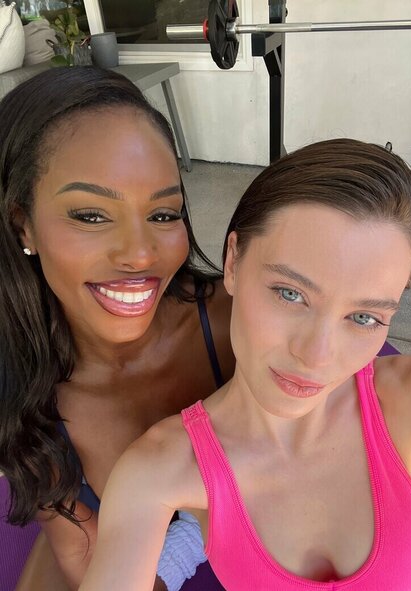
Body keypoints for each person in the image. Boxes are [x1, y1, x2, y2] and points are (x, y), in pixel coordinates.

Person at [79, 138, 411, 591]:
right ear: (233, 262)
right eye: (290, 293)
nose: (316, 355)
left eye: (364, 318)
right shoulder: (156, 470)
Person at [0, 66, 235, 591]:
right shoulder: (20, 385)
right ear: (23, 225)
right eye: (90, 215)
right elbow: (86, 557)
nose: (140, 255)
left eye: (164, 214)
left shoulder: (239, 324)